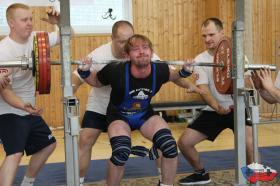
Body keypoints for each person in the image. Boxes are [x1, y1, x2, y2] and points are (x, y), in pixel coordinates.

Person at [72, 20, 203, 185]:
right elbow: (90, 79)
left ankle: (164, 181)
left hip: (141, 111)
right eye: (129, 45)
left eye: (143, 47)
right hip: (108, 108)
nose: (141, 51)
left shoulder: (153, 61)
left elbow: (172, 75)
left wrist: (188, 79)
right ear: (126, 53)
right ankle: (77, 181)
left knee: (168, 145)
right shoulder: (106, 61)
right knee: (113, 148)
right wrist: (76, 84)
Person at [177, 17, 254, 185]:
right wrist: (217, 107)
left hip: (239, 108)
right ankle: (201, 174)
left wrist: (238, 72)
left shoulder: (238, 55)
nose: (207, 39)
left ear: (222, 33)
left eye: (211, 34)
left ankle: (252, 179)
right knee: (184, 142)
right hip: (214, 109)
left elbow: (248, 84)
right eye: (204, 36)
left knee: (250, 144)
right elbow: (203, 90)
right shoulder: (200, 60)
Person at [0, 3, 60, 186]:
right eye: (24, 20)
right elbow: (6, 92)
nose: (29, 23)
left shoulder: (37, 40)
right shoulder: (4, 51)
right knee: (15, 152)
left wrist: (58, 23)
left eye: (31, 19)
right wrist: (23, 106)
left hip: (28, 109)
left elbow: (67, 35)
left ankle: (27, 182)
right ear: (11, 23)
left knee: (49, 145)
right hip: (8, 109)